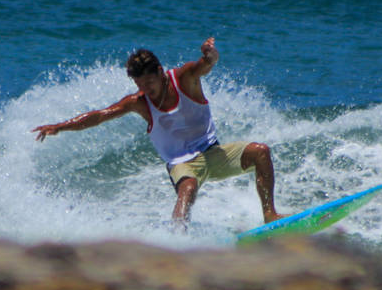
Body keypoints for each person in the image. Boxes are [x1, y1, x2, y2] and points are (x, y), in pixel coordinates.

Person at [32, 37, 284, 226]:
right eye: (139, 84)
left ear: (161, 72)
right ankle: (178, 240)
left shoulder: (184, 78)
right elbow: (100, 115)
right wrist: (60, 127)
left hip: (213, 153)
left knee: (260, 152)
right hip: (181, 163)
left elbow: (206, 65)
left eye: (149, 82)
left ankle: (270, 215)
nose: (145, 89)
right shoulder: (139, 102)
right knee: (187, 189)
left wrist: (212, 55)